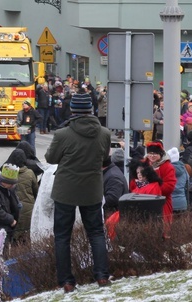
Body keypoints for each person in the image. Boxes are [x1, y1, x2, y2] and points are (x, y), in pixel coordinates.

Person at [44, 90, 111, 293]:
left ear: (72, 110)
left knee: (63, 236)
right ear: (91, 110)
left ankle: (67, 281)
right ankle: (101, 276)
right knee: (96, 233)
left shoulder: (63, 134)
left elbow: (50, 158)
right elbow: (104, 158)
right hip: (92, 189)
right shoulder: (104, 133)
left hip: (66, 190)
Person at [134, 141, 176, 225]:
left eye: (155, 153)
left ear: (160, 154)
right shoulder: (143, 164)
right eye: (150, 153)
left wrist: (152, 188)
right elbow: (133, 181)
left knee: (160, 226)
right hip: (142, 199)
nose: (152, 156)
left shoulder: (168, 167)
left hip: (161, 202)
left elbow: (169, 187)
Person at [5, 149, 39, 242]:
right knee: (25, 238)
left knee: (13, 238)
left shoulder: (8, 172)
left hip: (12, 209)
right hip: (28, 209)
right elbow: (36, 191)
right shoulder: (30, 173)